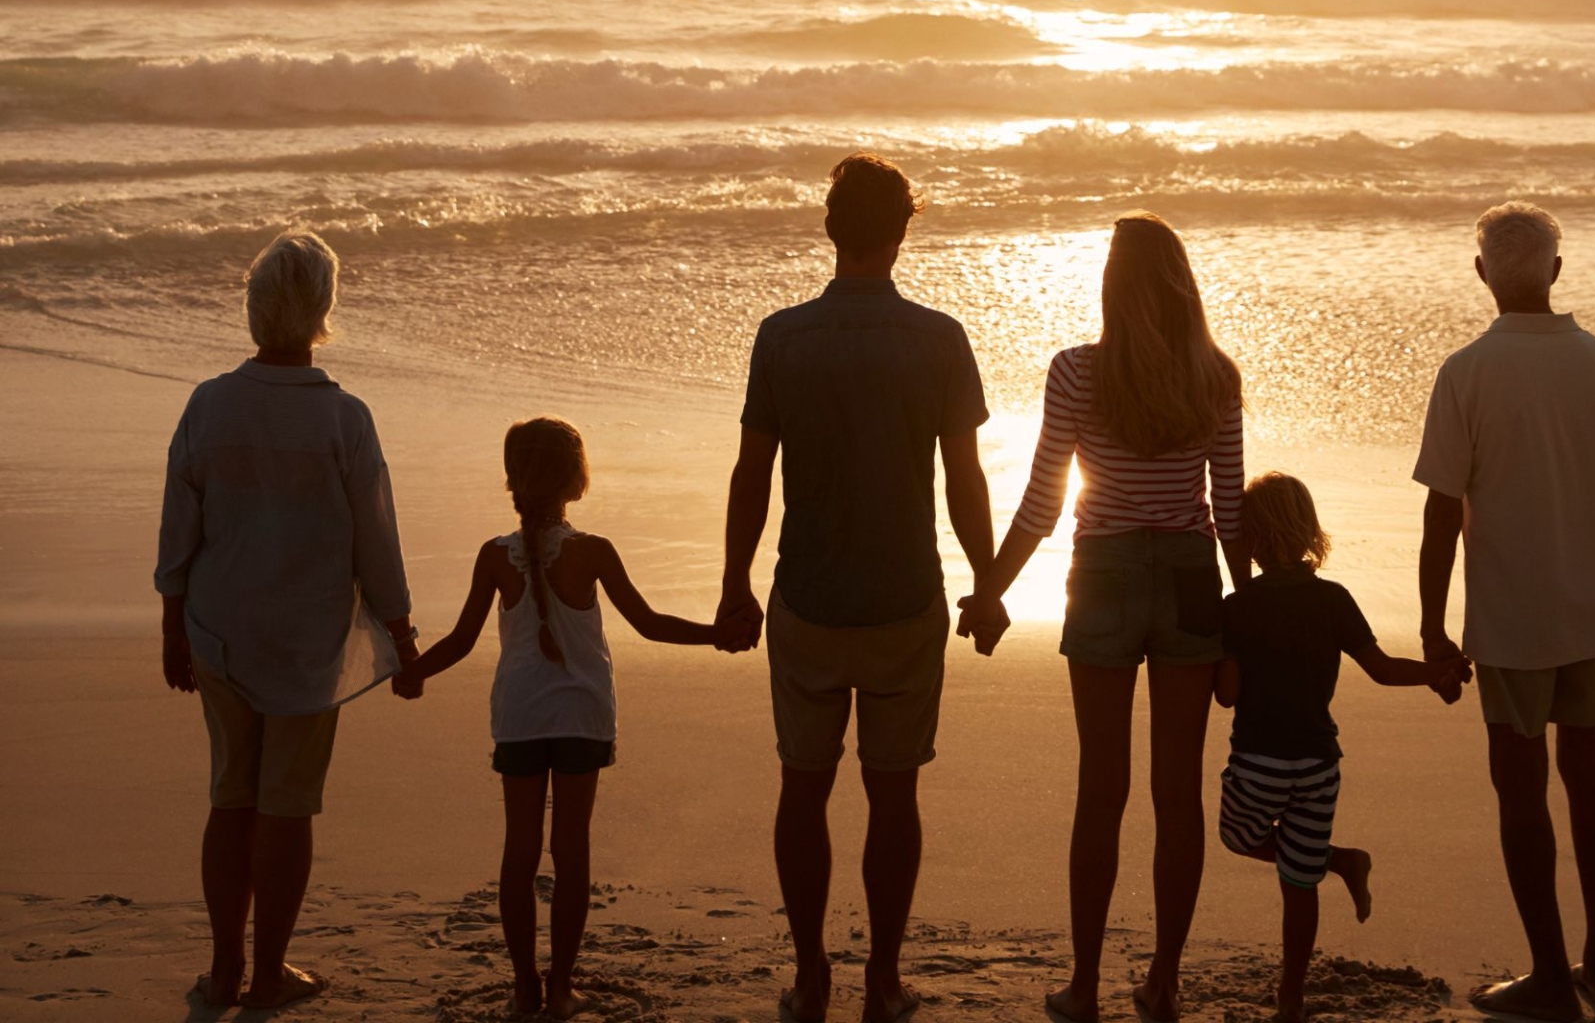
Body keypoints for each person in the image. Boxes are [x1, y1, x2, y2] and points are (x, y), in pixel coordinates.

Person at [719, 153, 996, 1023]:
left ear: (830, 230)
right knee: (894, 792)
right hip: (904, 596)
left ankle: (811, 977)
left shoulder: (782, 336)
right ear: (902, 231)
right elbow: (964, 480)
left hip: (807, 592)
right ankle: (882, 976)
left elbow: (751, 474)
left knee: (803, 786)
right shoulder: (940, 338)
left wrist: (735, 584)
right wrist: (987, 585)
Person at [962, 211, 1241, 1023]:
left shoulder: (1078, 371)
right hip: (1192, 577)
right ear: (1182, 284)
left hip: (1108, 573)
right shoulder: (1215, 376)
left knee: (1102, 789)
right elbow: (1228, 508)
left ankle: (1084, 985)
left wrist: (992, 589)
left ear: (1111, 289)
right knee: (1177, 793)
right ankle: (1163, 979)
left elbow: (1046, 497)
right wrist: (1244, 623)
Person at [396, 417, 754, 1019]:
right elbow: (649, 624)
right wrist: (718, 636)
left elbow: (459, 641)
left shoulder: (492, 556)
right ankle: (561, 988)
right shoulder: (593, 551)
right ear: (576, 481)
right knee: (571, 851)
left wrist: (414, 673)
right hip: (583, 716)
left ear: (513, 479)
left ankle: (523, 988)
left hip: (519, 716)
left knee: (519, 851)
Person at [154, 228, 419, 1011]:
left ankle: (226, 967)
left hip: (219, 627)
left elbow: (180, 526)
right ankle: (270, 972)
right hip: (307, 639)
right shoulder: (344, 418)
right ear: (321, 314)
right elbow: (377, 538)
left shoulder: (210, 403)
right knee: (286, 806)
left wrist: (172, 624)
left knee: (229, 795)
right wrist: (401, 634)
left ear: (253, 309)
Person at [1414, 201, 1595, 1023]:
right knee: (1589, 772)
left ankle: (1553, 977)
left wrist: (1433, 627)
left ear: (1482, 275)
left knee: (1521, 787)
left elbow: (1442, 513)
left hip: (1513, 620)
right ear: (1556, 270)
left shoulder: (1467, 372)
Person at [1213, 470, 1471, 1023]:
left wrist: (1218, 656)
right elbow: (1379, 669)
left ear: (1250, 540)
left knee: (1237, 835)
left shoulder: (1238, 607)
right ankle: (1292, 998)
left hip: (1258, 762)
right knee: (1298, 881)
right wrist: (1437, 673)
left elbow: (1228, 698)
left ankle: (1342, 861)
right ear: (1309, 532)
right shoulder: (1332, 598)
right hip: (1317, 767)